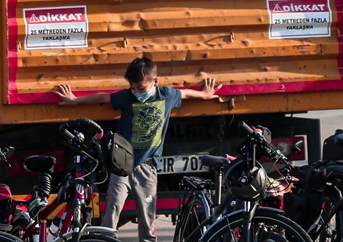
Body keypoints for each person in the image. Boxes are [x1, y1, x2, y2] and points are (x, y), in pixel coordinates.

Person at [54, 57, 221, 242]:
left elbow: (186, 94)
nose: (136, 92)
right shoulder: (126, 97)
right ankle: (105, 238)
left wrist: (205, 95)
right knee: (113, 206)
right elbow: (103, 97)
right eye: (132, 87)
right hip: (121, 164)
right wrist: (74, 101)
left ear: (155, 81)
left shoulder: (167, 95)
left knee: (147, 214)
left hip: (147, 167)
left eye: (140, 88)